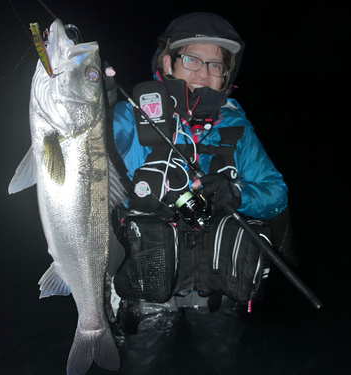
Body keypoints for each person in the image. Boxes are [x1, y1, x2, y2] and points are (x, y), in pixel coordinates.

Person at [109, 13, 289, 336]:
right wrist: (91, 103)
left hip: (215, 298)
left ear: (225, 76)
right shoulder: (129, 117)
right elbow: (78, 151)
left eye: (215, 65)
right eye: (192, 59)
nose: (203, 74)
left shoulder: (238, 130)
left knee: (220, 360)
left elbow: (277, 193)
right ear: (168, 63)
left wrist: (238, 194)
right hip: (148, 298)